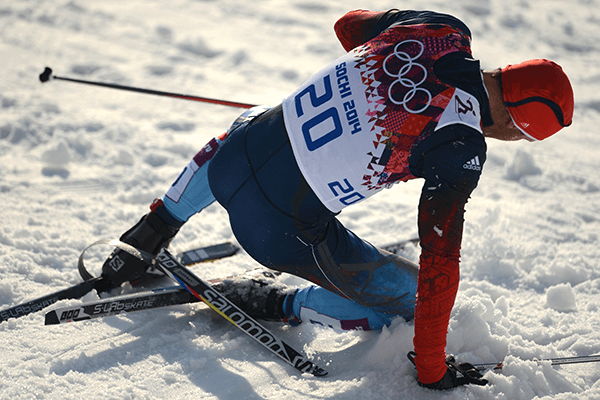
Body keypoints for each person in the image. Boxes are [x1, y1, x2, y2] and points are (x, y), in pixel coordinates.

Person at [99, 9, 574, 390]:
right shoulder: (461, 146)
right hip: (276, 232)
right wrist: (432, 370)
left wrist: (373, 83)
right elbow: (440, 263)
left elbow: (349, 25)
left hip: (229, 161)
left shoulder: (442, 29)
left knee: (256, 119)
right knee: (408, 297)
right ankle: (281, 302)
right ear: (516, 127)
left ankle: (150, 231)